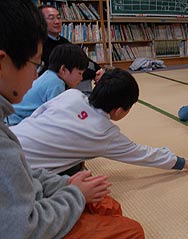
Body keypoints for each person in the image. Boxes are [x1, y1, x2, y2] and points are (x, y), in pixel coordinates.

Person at [0, 0, 143, 238]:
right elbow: (22, 228)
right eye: (35, 64)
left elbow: (26, 171)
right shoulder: (84, 112)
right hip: (30, 220)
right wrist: (75, 193)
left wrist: (65, 186)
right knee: (131, 230)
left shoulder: (71, 96)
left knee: (108, 206)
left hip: (34, 188)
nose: (36, 76)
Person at [10, 68, 188, 175]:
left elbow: (37, 116)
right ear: (118, 111)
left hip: (10, 137)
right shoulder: (104, 134)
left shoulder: (71, 95)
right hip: (17, 174)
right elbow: (146, 155)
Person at [5, 44, 88, 126]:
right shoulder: (56, 83)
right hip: (15, 122)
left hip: (12, 116)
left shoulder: (49, 76)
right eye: (79, 73)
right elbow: (57, 116)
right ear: (63, 70)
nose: (81, 78)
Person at [39, 5, 102, 94]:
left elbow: (81, 58)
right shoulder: (38, 44)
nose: (57, 21)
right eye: (51, 18)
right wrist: (94, 74)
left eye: (58, 17)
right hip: (54, 87)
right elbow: (61, 70)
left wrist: (98, 70)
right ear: (40, 21)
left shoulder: (62, 41)